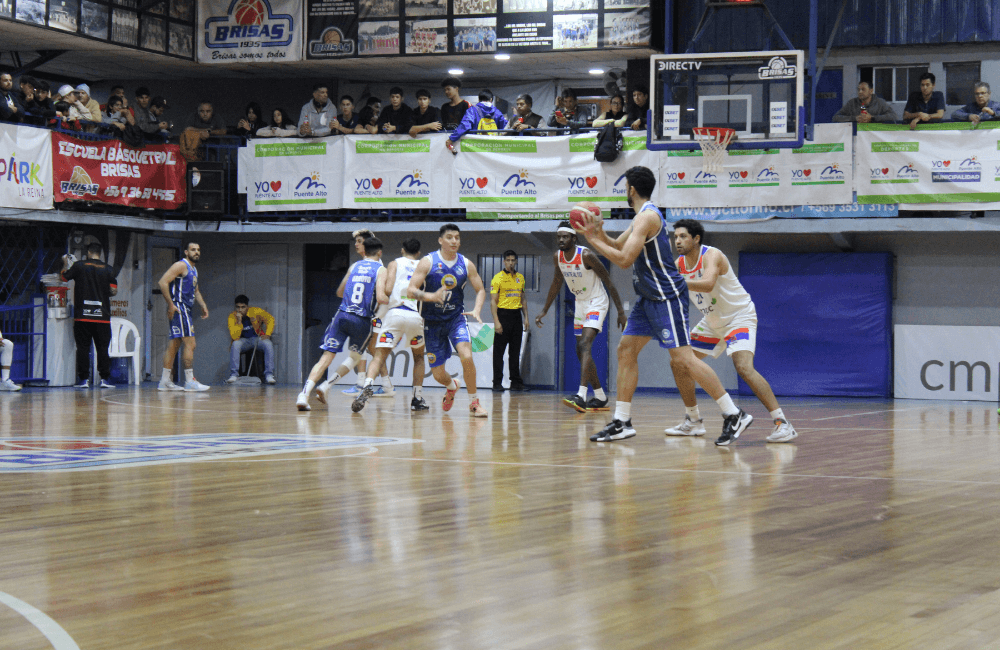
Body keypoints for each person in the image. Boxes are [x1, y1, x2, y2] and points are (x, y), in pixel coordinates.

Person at [574, 166, 752, 444]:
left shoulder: (647, 217)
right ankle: (622, 421)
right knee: (625, 350)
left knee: (683, 359)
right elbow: (617, 246)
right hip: (648, 297)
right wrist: (598, 232)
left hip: (666, 295)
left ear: (631, 189)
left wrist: (591, 239)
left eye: (625, 187)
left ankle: (733, 414)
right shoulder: (640, 217)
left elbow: (623, 260)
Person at [668, 219, 798, 443]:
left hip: (739, 317)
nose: (677, 241)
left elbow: (707, 283)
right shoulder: (678, 264)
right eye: (675, 237)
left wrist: (676, 281)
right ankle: (693, 421)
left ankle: (782, 423)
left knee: (744, 367)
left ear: (696, 239)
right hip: (712, 320)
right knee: (679, 362)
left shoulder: (712, 255)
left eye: (683, 236)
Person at [535, 221, 626, 412]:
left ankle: (581, 395)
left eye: (565, 236)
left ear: (574, 238)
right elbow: (556, 283)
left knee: (585, 344)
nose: (561, 240)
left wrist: (620, 311)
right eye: (558, 236)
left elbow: (608, 281)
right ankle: (600, 396)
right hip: (580, 302)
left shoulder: (586, 255)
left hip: (597, 300)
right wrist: (544, 309)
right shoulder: (558, 257)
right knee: (580, 349)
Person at [407, 223, 489, 418]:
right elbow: (410, 290)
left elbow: (481, 289)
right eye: (450, 237)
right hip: (432, 322)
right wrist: (430, 296)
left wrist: (477, 309)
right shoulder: (428, 262)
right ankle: (452, 386)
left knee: (467, 357)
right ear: (440, 240)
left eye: (457, 237)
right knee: (437, 375)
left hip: (456, 319)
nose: (454, 241)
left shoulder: (466, 263)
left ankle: (474, 403)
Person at [297, 237, 385, 411]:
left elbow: (339, 292)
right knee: (355, 357)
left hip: (342, 314)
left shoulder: (354, 267)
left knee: (325, 358)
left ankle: (304, 394)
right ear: (380, 253)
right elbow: (382, 297)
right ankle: (327, 385)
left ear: (364, 251)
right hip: (361, 319)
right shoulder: (381, 269)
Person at [351, 238, 430, 413]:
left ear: (402, 250)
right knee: (418, 358)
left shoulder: (394, 263)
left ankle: (367, 386)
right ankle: (417, 398)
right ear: (418, 253)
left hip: (394, 314)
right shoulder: (424, 266)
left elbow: (387, 290)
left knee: (378, 356)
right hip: (414, 316)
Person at [60, 244, 119, 389]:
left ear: (88, 252)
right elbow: (113, 291)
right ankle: (105, 379)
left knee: (83, 348)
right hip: (102, 317)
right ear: (100, 253)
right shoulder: (108, 269)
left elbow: (63, 277)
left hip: (82, 316)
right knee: (103, 348)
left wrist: (65, 263)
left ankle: (83, 380)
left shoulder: (79, 266)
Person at [342, 229, 392, 396]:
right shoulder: (362, 264)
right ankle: (374, 384)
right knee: (366, 348)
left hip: (375, 312)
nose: (356, 244)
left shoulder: (376, 266)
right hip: (366, 312)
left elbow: (382, 294)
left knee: (368, 347)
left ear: (368, 244)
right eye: (355, 241)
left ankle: (371, 384)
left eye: (359, 241)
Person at [157, 243, 210, 392]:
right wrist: (170, 304)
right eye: (193, 250)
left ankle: (164, 381)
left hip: (186, 308)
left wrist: (203, 305)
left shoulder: (194, 269)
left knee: (173, 346)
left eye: (199, 250)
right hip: (180, 308)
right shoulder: (181, 265)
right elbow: (162, 282)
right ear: (186, 252)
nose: (196, 252)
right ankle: (189, 381)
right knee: (190, 344)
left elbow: (196, 290)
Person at [489, 250, 528, 391]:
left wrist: (526, 318)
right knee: (499, 352)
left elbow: (523, 299)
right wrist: (496, 321)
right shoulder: (497, 278)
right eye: (508, 260)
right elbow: (493, 301)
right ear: (504, 261)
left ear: (516, 261)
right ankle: (497, 383)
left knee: (515, 352)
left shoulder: (520, 278)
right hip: (503, 316)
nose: (511, 262)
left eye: (513, 260)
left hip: (516, 317)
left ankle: (516, 382)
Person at [225, 295, 277, 384]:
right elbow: (235, 337)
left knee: (268, 344)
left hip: (257, 339)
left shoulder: (256, 311)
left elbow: (270, 319)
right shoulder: (232, 317)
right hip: (243, 340)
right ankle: (234, 375)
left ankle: (269, 375)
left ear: (247, 306)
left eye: (243, 307)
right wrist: (238, 321)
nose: (240, 310)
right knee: (235, 344)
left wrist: (268, 334)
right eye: (238, 307)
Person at [446, 88, 507, 153]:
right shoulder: (497, 112)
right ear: (491, 99)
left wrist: (451, 139)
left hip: (476, 148)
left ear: (479, 99)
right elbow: (506, 128)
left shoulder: (472, 110)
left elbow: (465, 125)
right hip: (493, 147)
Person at [832, 81, 899, 124]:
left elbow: (894, 117)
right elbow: (836, 117)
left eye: (863, 89)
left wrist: (872, 118)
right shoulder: (852, 103)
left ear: (871, 91)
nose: (860, 92)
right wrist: (855, 118)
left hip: (875, 138)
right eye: (858, 89)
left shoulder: (880, 102)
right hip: (857, 137)